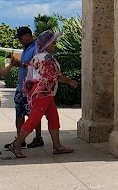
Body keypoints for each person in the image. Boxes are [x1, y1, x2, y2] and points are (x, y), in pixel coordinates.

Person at [8, 30, 78, 158]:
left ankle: (57, 146)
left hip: (41, 92)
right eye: (53, 42)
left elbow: (30, 72)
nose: (54, 45)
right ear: (47, 44)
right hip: (44, 93)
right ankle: (16, 144)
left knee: (53, 118)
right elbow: (55, 76)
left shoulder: (37, 56)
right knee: (33, 119)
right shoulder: (47, 58)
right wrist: (70, 81)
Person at [5, 26, 44, 151]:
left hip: (31, 88)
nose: (20, 41)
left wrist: (20, 64)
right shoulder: (26, 48)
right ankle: (20, 139)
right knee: (19, 113)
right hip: (21, 87)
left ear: (28, 35)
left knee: (33, 114)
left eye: (21, 38)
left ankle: (38, 138)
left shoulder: (36, 48)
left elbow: (37, 65)